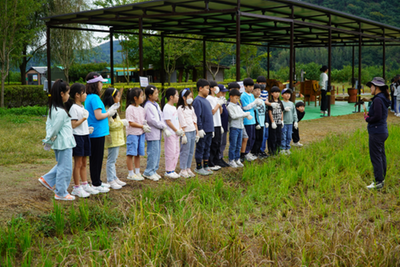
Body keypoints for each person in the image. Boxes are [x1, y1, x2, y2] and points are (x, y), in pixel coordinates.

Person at [39, 79, 76, 201]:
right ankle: (61, 192)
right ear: (62, 94)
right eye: (68, 93)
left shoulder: (53, 109)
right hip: (64, 142)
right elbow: (55, 128)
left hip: (60, 142)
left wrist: (49, 139)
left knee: (62, 165)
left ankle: (47, 179)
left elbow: (49, 125)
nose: (69, 96)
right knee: (65, 168)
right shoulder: (61, 112)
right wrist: (49, 140)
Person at [65, 83, 97, 198]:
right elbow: (73, 125)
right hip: (78, 137)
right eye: (84, 93)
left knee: (84, 162)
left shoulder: (82, 107)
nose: (86, 95)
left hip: (85, 135)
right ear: (77, 95)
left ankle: (84, 184)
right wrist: (84, 119)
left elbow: (80, 123)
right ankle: (76, 187)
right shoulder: (74, 108)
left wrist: (87, 129)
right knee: (78, 163)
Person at [85, 72, 113, 193]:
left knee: (96, 158)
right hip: (97, 132)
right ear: (95, 84)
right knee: (97, 159)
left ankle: (97, 181)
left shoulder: (89, 97)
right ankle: (96, 183)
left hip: (95, 132)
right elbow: (98, 116)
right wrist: (109, 112)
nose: (102, 85)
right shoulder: (95, 98)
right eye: (101, 82)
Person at [365, 77, 390, 189]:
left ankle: (378, 181)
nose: (370, 88)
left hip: (376, 131)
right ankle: (381, 179)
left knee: (376, 157)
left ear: (377, 87)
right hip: (382, 130)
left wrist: (367, 118)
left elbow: (378, 116)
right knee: (381, 156)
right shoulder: (382, 98)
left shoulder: (378, 100)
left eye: (371, 86)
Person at [143, 85, 170, 181]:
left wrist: (163, 124)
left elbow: (161, 116)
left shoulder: (156, 104)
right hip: (152, 133)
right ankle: (148, 172)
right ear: (150, 95)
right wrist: (163, 126)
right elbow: (151, 120)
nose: (157, 95)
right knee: (152, 153)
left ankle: (154, 170)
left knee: (157, 152)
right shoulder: (148, 105)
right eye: (156, 93)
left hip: (158, 133)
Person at [102, 88, 127, 190]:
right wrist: (122, 123)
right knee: (111, 160)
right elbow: (111, 125)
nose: (119, 98)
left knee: (114, 159)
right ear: (112, 98)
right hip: (112, 138)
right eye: (118, 96)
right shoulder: (109, 110)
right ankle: (110, 180)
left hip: (116, 138)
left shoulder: (114, 109)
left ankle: (114, 177)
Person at [126, 87, 150, 181]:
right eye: (141, 95)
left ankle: (137, 172)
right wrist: (142, 126)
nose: (143, 97)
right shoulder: (130, 109)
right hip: (132, 134)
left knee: (138, 154)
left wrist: (145, 125)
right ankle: (130, 173)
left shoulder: (141, 109)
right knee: (131, 153)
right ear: (135, 98)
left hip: (141, 134)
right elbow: (130, 122)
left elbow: (142, 120)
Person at [192, 79, 214, 175]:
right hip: (203, 130)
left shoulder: (206, 100)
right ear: (200, 88)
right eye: (207, 88)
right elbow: (197, 116)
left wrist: (212, 129)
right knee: (201, 147)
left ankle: (206, 165)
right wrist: (200, 128)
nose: (208, 90)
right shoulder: (197, 101)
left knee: (207, 147)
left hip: (209, 129)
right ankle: (198, 166)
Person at [161, 87, 184, 179]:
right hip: (170, 133)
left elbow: (176, 119)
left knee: (176, 151)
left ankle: (173, 170)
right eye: (177, 95)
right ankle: (168, 170)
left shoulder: (174, 107)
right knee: (170, 152)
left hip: (176, 134)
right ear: (171, 97)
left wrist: (179, 129)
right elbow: (168, 121)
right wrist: (175, 130)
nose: (178, 97)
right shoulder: (167, 108)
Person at [227, 89, 252, 168]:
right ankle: (231, 160)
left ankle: (237, 159)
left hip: (240, 127)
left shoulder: (238, 106)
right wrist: (243, 115)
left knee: (238, 145)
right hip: (234, 127)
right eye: (236, 98)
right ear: (231, 97)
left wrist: (247, 115)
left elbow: (242, 113)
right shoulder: (229, 106)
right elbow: (233, 116)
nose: (237, 100)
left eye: (238, 98)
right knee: (233, 144)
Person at [177, 88, 198, 178]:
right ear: (184, 98)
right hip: (186, 132)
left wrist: (197, 132)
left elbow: (194, 120)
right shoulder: (180, 108)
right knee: (185, 151)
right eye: (189, 96)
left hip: (192, 130)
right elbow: (181, 122)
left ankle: (188, 167)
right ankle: (183, 169)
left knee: (191, 151)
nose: (191, 98)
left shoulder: (191, 107)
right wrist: (183, 134)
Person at [241, 78, 262, 161]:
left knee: (253, 137)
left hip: (252, 120)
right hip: (247, 120)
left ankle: (248, 152)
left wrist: (257, 105)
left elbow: (252, 108)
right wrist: (254, 103)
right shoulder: (243, 95)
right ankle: (245, 153)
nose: (251, 88)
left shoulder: (252, 95)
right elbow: (245, 107)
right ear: (245, 86)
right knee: (248, 137)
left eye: (252, 86)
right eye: (249, 86)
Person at [206, 81, 226, 171]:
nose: (217, 89)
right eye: (215, 87)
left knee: (218, 143)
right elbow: (212, 112)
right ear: (211, 88)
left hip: (218, 123)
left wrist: (220, 105)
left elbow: (219, 112)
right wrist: (218, 104)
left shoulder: (216, 98)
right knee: (213, 144)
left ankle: (216, 161)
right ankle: (210, 163)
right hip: (213, 124)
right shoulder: (209, 98)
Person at [251, 84, 268, 158]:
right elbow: (253, 112)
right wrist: (256, 123)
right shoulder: (252, 101)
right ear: (252, 91)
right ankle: (254, 152)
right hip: (255, 123)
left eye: (259, 90)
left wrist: (266, 121)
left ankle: (258, 152)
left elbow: (264, 111)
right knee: (255, 138)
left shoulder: (262, 100)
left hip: (262, 122)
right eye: (256, 90)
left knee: (261, 138)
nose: (258, 92)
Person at [280, 88, 298, 155]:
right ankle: (282, 148)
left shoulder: (291, 104)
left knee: (289, 136)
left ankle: (287, 148)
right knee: (283, 136)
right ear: (282, 95)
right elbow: (279, 112)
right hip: (283, 123)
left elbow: (294, 113)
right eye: (286, 94)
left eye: (289, 94)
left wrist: (295, 121)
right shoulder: (281, 103)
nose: (288, 95)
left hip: (290, 123)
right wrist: (284, 110)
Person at [268, 86, 284, 156]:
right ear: (271, 93)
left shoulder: (280, 102)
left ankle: (278, 150)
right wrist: (272, 122)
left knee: (279, 136)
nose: (277, 94)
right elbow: (269, 112)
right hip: (273, 123)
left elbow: (282, 111)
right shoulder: (270, 102)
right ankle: (272, 151)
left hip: (279, 122)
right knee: (273, 137)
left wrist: (282, 120)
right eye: (275, 92)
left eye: (278, 92)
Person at [217, 84, 230, 167]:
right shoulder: (217, 101)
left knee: (224, 142)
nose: (224, 94)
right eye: (222, 92)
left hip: (225, 125)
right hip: (219, 125)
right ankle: (218, 158)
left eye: (225, 93)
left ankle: (221, 157)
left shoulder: (223, 101)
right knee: (219, 142)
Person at [257, 76, 270, 155]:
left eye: (264, 83)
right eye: (261, 83)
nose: (263, 85)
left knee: (265, 134)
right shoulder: (255, 92)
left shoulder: (265, 92)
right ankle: (258, 150)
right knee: (260, 134)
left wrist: (271, 104)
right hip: (258, 114)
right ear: (257, 83)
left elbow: (266, 101)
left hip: (264, 114)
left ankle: (262, 149)